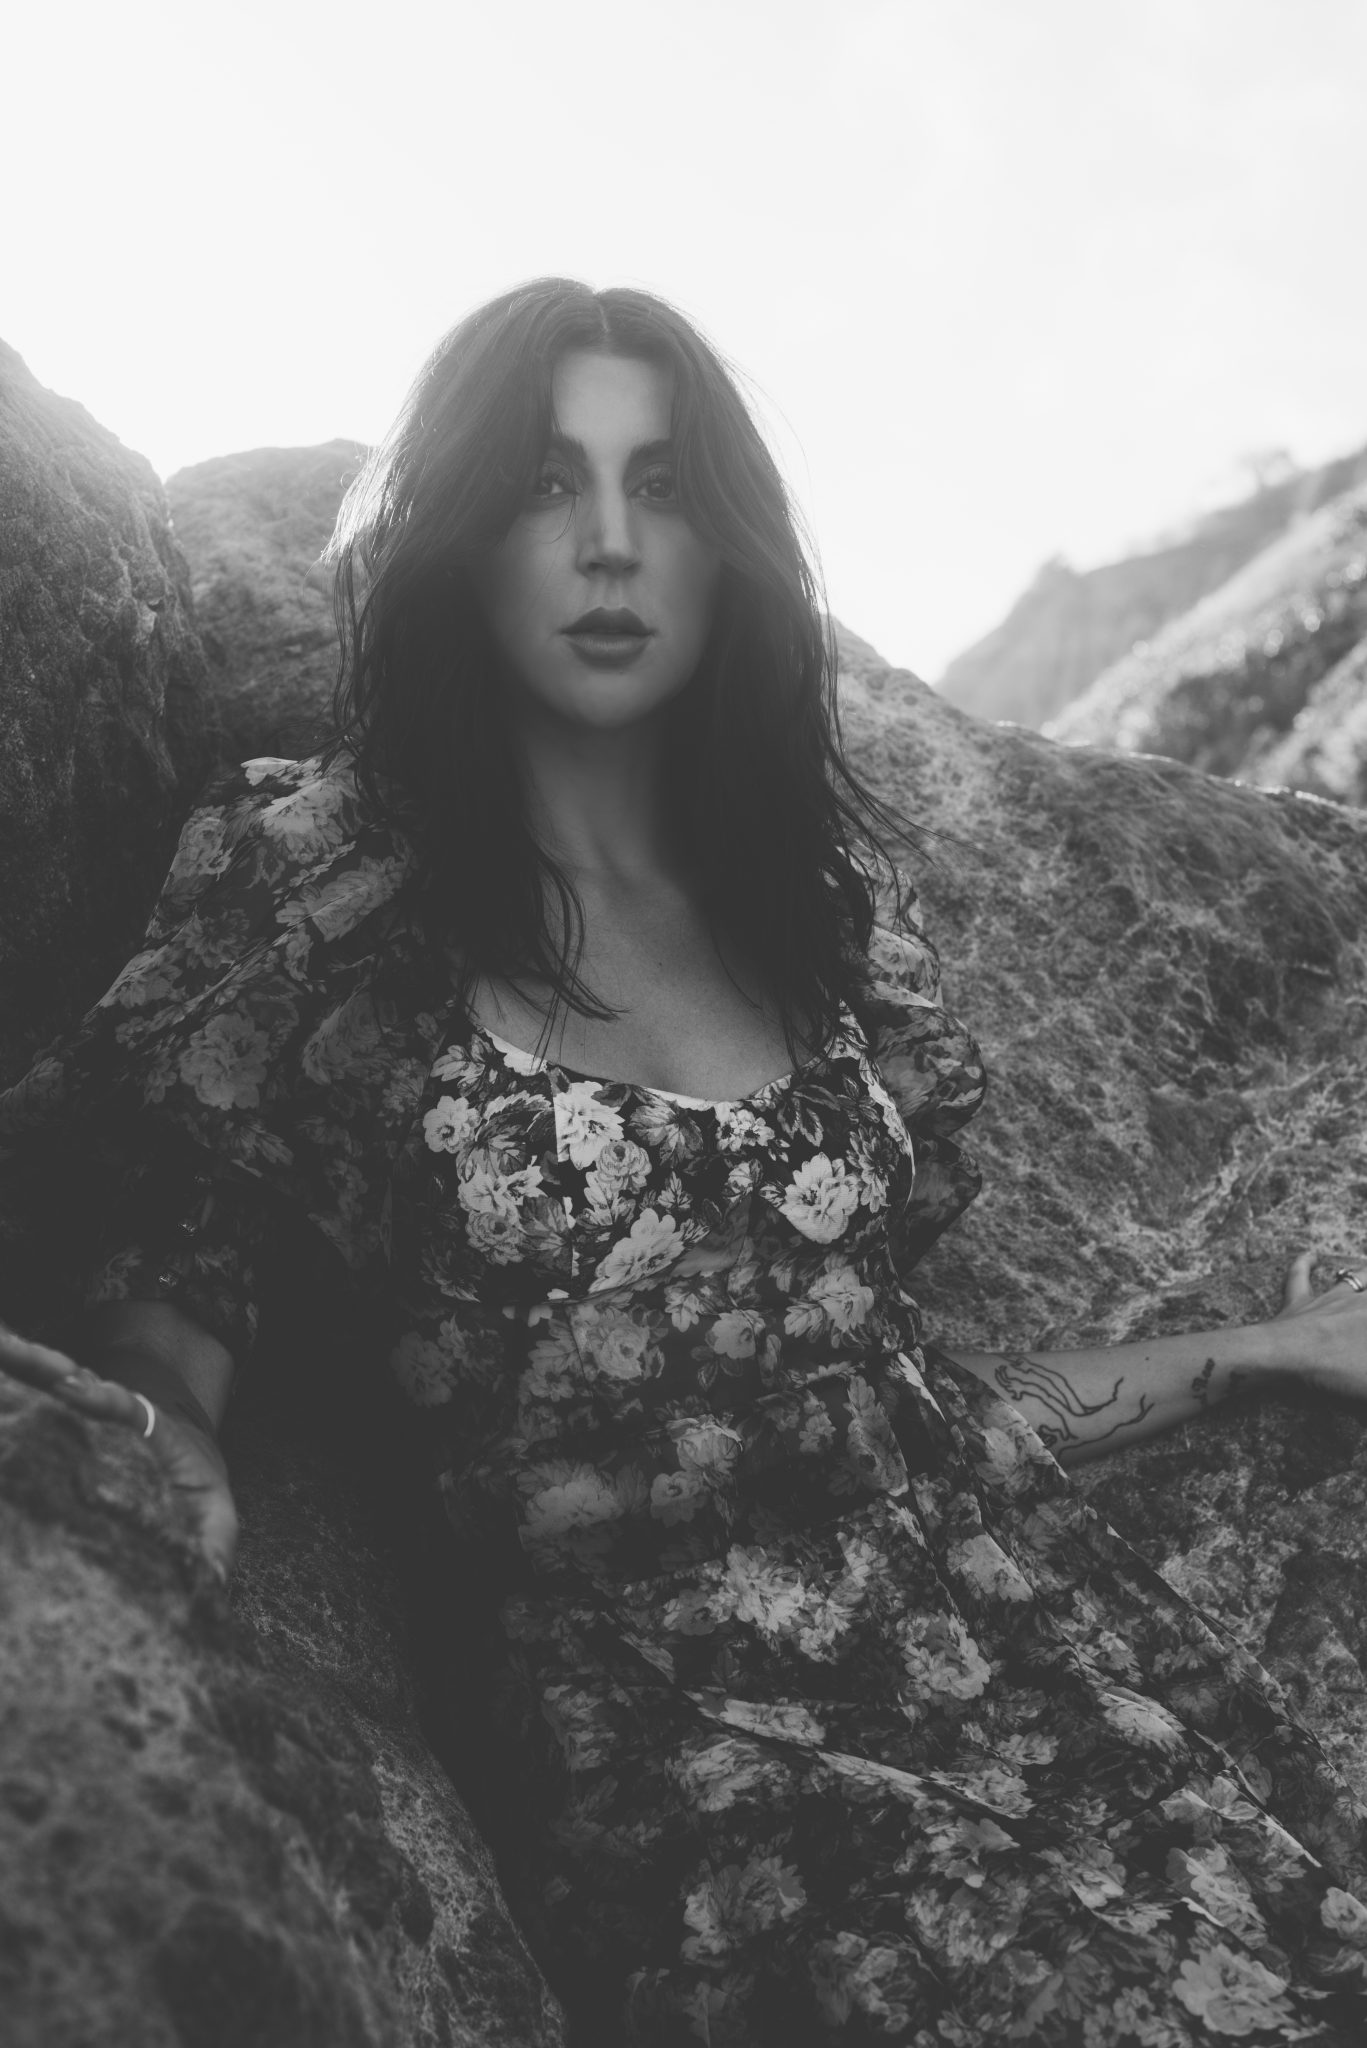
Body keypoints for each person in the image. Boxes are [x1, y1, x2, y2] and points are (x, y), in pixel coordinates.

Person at [3, 278, 1367, 2045]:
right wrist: (154, 1432)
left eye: (659, 486)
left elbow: (902, 1410)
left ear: (725, 547)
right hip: (706, 1786)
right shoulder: (328, 891)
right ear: (456, 532)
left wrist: (1271, 1348)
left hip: (1040, 1687)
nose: (609, 544)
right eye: (545, 484)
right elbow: (174, 1264)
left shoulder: (823, 924)